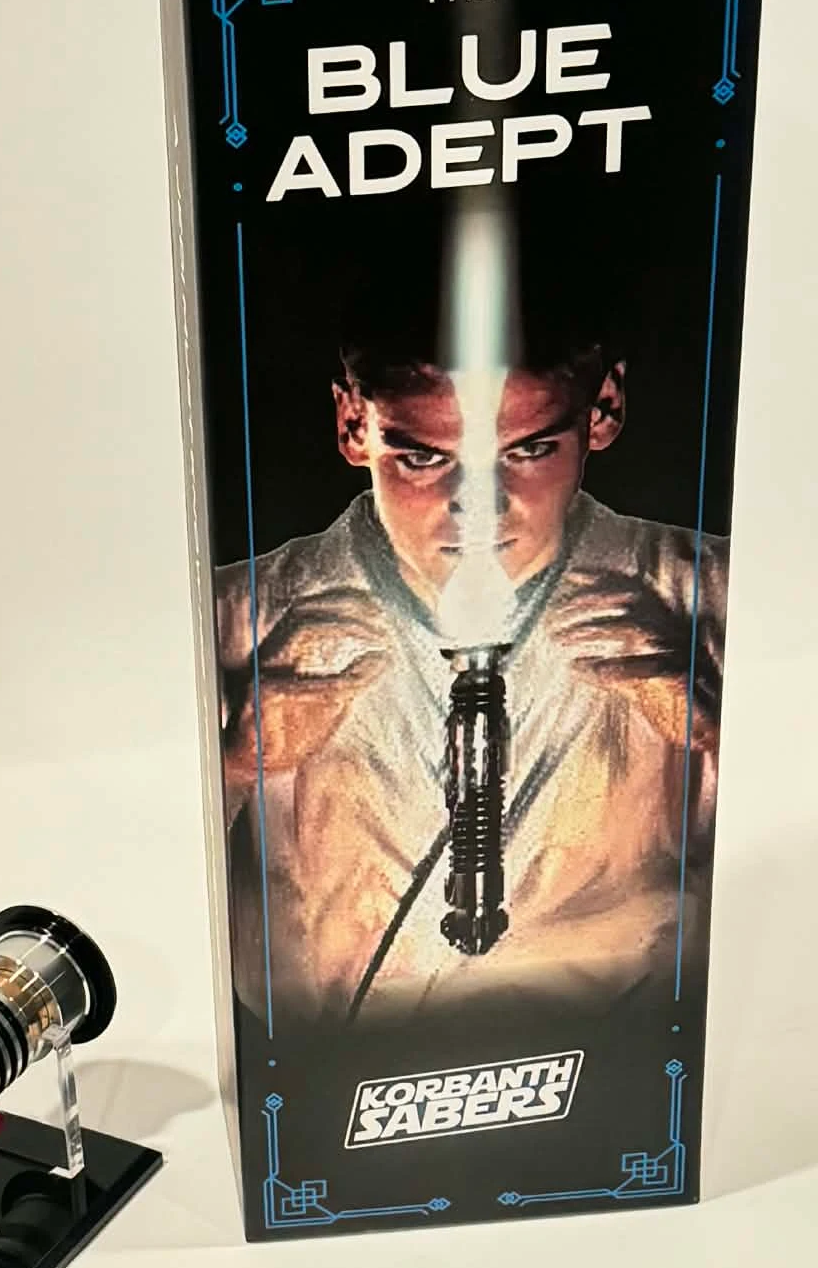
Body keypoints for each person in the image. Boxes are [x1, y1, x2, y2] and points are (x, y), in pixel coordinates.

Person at [216, 321, 726, 1024]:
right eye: (423, 458)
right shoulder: (233, 618)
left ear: (603, 409)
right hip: (335, 1060)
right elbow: (134, 872)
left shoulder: (715, 595)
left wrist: (721, 734)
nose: (479, 504)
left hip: (617, 1048)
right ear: (354, 423)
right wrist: (234, 764)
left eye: (529, 451)